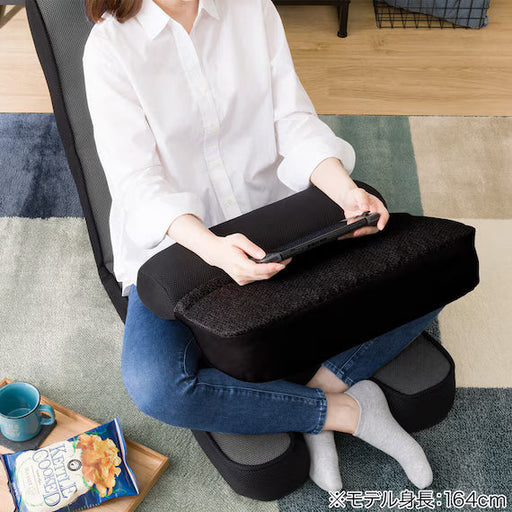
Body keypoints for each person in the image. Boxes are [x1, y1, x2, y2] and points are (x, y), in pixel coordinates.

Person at [83, 0, 442, 492]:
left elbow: (293, 119)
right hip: (182, 245)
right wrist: (213, 248)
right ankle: (340, 411)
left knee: (433, 268)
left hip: (277, 218)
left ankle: (320, 383)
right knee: (156, 385)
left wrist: (345, 191)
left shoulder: (252, 8)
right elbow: (136, 181)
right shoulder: (109, 47)